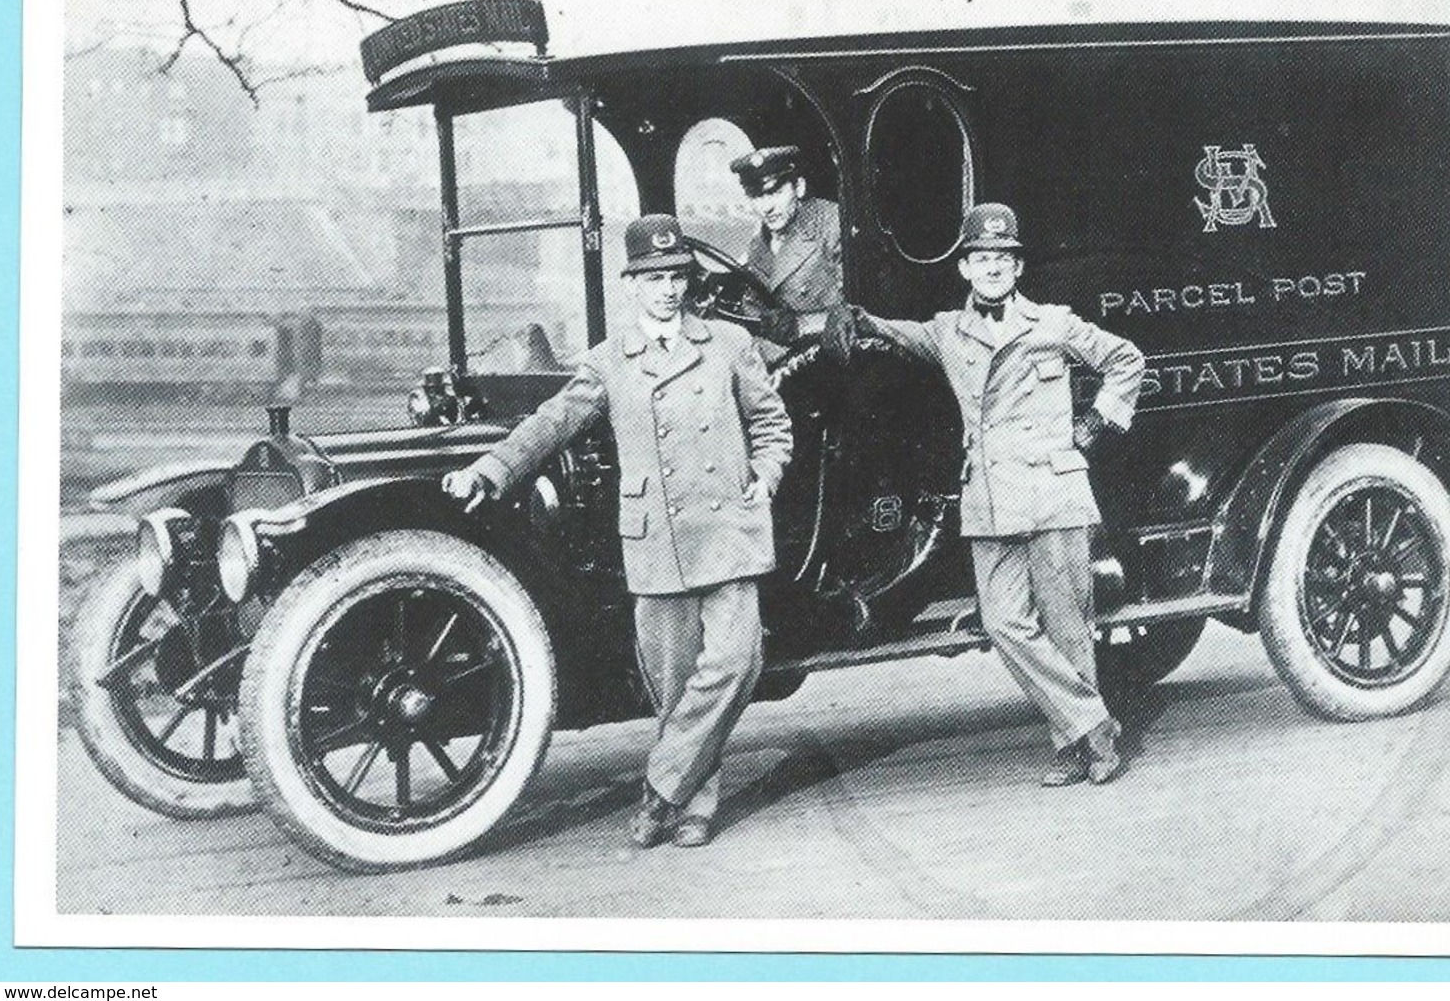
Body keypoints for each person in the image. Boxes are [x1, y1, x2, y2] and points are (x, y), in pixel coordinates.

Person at [442, 214, 792, 847]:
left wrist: (765, 474)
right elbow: (552, 424)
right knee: (674, 685)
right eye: (653, 278)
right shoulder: (609, 361)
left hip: (727, 528)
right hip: (656, 534)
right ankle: (692, 808)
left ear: (688, 281)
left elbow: (771, 422)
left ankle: (660, 787)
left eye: (676, 276)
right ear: (632, 284)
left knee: (740, 663)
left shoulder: (729, 344)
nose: (667, 288)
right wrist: (490, 470)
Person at [825, 202, 1144, 785]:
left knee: (1068, 626)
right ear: (966, 269)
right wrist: (855, 316)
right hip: (992, 499)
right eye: (981, 259)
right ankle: (1093, 722)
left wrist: (1097, 424)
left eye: (1003, 259)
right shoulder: (949, 331)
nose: (992, 268)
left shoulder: (1052, 323)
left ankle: (1080, 750)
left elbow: (1126, 359)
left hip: (1052, 490)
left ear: (1017, 268)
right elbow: (893, 333)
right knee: (1003, 623)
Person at [729, 145, 844, 346]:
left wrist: (800, 325)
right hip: (785, 358)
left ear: (799, 187)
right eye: (756, 196)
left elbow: (858, 313)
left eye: (775, 192)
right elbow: (754, 312)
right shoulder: (758, 246)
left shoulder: (833, 225)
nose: (766, 207)